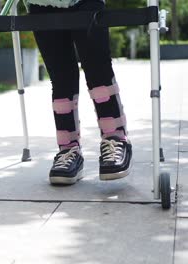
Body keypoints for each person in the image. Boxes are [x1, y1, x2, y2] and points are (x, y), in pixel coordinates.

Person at [25, 0, 132, 185]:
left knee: (98, 70)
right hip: (40, 3)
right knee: (61, 78)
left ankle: (115, 138)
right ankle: (68, 150)